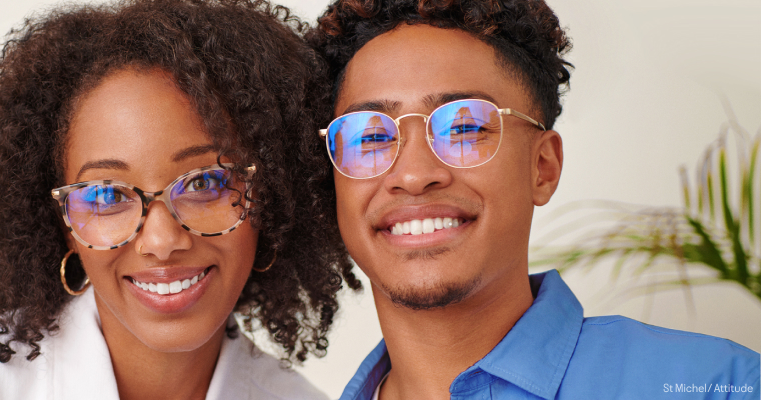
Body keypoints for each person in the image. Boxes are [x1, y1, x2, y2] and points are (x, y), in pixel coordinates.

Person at [0, 0, 358, 399]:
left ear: (268, 199)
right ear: (60, 222)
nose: (162, 241)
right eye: (106, 195)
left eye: (205, 183)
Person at [304, 0, 761, 399]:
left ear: (543, 167)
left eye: (464, 128)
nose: (414, 175)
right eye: (369, 136)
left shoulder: (717, 386)